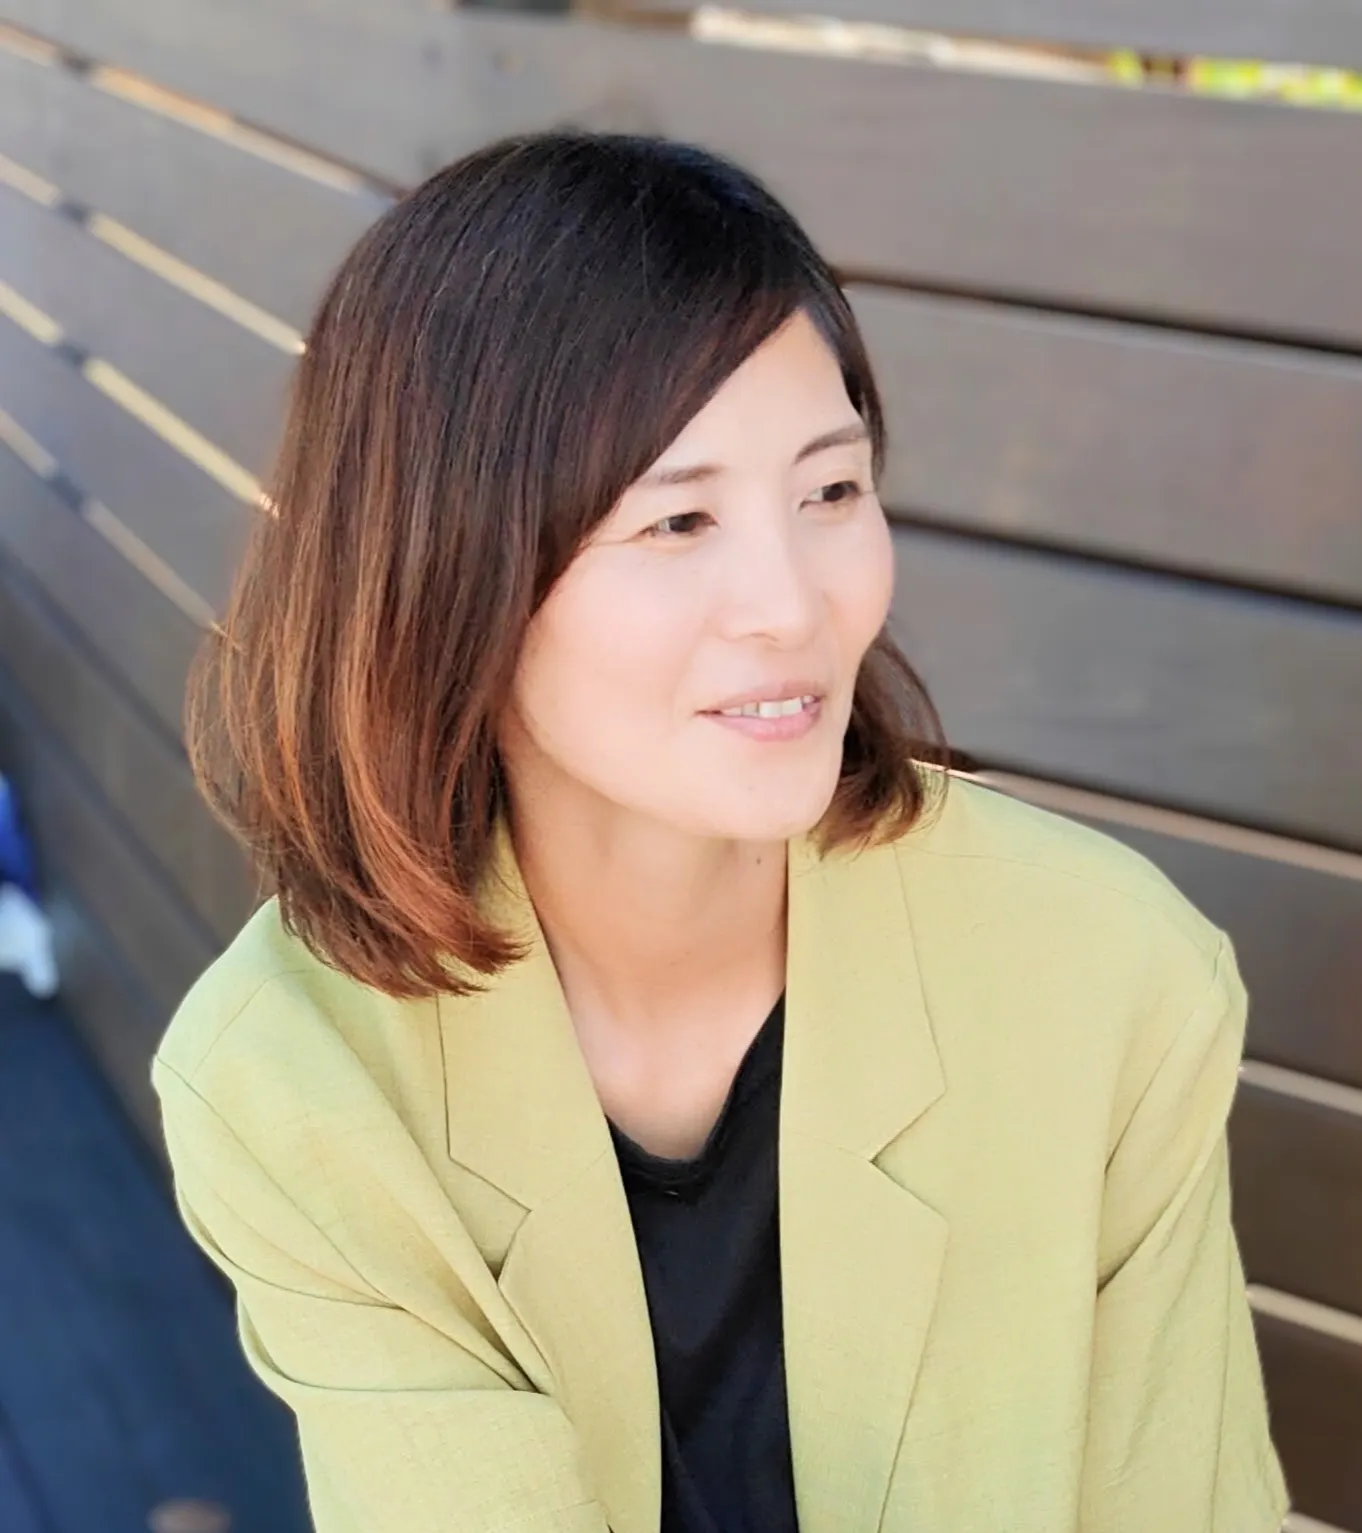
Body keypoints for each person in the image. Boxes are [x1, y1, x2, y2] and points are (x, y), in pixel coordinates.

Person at [153, 132, 1288, 1533]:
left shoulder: (1106, 974)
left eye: (831, 492)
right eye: (679, 520)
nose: (791, 603)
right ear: (446, 565)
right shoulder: (292, 1077)